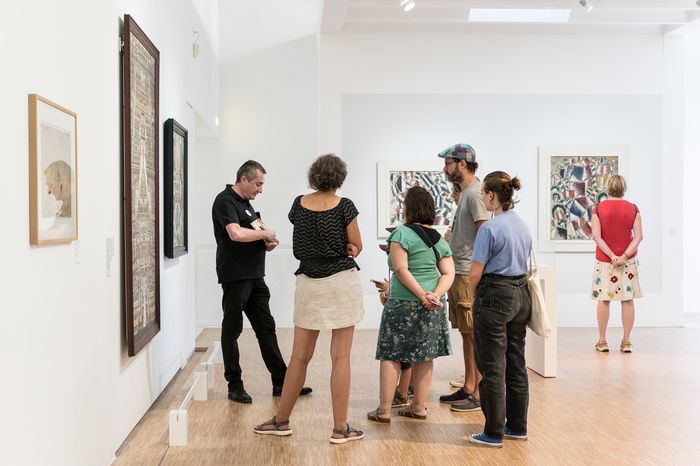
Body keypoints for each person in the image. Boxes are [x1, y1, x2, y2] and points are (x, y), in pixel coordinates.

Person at [254, 154, 364, 444]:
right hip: (340, 282)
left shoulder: (298, 204)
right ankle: (341, 429)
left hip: (308, 283)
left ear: (314, 175)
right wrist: (348, 247)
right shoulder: (345, 206)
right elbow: (357, 246)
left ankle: (281, 421)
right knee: (340, 358)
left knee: (299, 357)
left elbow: (302, 231)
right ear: (340, 178)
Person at [211, 160, 312, 404]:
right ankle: (234, 385)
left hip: (255, 276)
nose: (260, 189)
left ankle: (281, 381)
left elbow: (250, 233)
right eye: (258, 184)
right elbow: (235, 233)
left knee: (266, 328)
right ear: (243, 179)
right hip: (236, 277)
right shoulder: (225, 200)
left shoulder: (246, 205)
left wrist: (265, 242)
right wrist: (265, 234)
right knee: (232, 330)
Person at [368, 186, 455, 423]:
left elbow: (400, 269)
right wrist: (433, 295)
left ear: (408, 208)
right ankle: (418, 407)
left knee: (391, 355)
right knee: (425, 357)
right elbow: (448, 273)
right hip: (433, 305)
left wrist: (420, 295)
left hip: (403, 304)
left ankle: (384, 410)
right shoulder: (439, 239)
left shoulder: (401, 234)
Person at [467, 171, 532, 448]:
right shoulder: (522, 225)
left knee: (492, 366)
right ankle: (517, 427)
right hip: (521, 296)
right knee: (516, 364)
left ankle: (493, 432)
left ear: (492, 195)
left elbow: (475, 273)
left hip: (494, 296)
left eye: (484, 194)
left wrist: (472, 298)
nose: (483, 198)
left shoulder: (489, 229)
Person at [437, 144, 490, 412]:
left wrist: (475, 271)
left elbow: (485, 233)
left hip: (467, 272)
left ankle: (478, 391)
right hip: (459, 271)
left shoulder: (474, 195)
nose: (445, 169)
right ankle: (469, 386)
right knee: (467, 334)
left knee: (473, 333)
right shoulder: (467, 193)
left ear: (462, 164)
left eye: (448, 163)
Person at [591, 174, 643, 353]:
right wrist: (624, 255)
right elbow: (638, 237)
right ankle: (627, 341)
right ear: (624, 189)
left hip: (605, 261)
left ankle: (602, 341)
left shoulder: (598, 208)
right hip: (627, 263)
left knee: (604, 299)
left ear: (608, 188)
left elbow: (597, 237)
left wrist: (613, 256)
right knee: (627, 300)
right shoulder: (633, 208)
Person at [373, 278, 414, 408]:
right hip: (402, 315)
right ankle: (402, 392)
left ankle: (402, 394)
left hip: (405, 314)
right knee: (406, 360)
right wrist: (386, 291)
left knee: (406, 361)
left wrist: (389, 289)